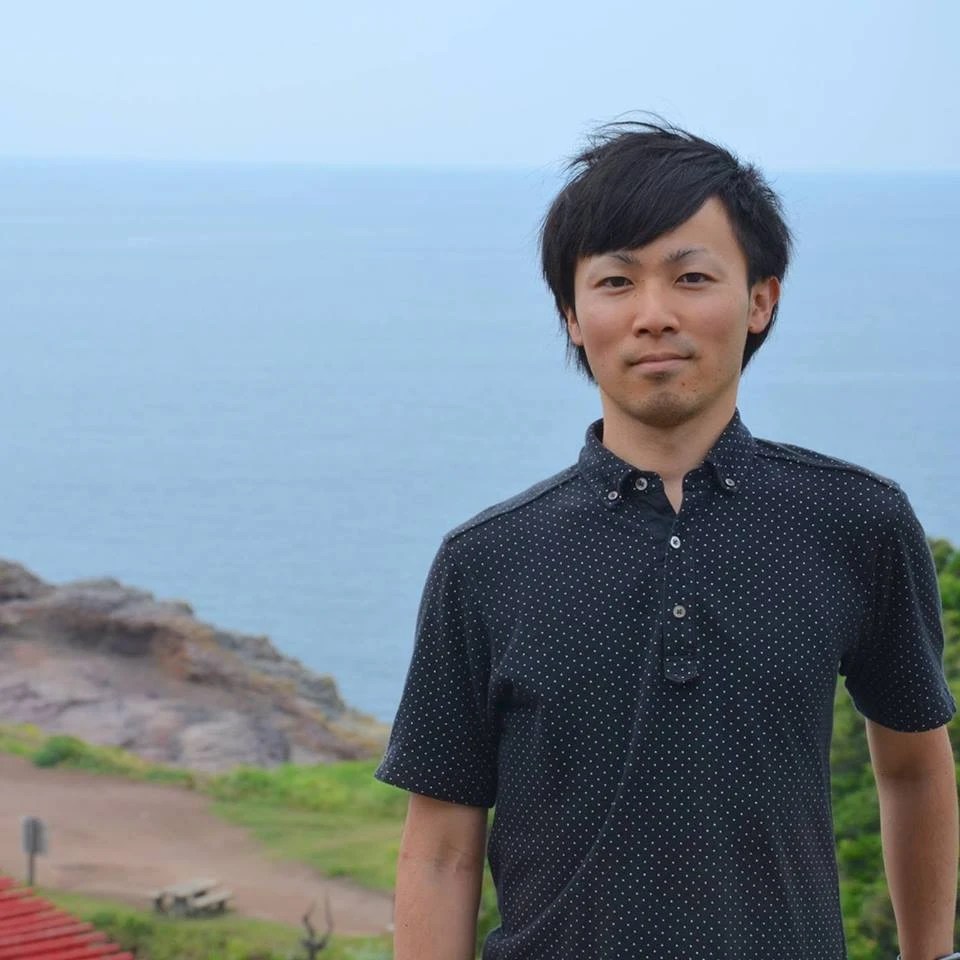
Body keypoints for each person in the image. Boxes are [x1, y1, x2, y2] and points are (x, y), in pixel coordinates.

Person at [373, 119, 959, 960]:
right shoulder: (487, 560)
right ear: (572, 317)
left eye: (691, 277)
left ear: (761, 299)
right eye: (615, 282)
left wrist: (930, 954)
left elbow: (912, 766)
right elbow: (439, 850)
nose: (653, 316)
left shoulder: (856, 521)